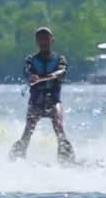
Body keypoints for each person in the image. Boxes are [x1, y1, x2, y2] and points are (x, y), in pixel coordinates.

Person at [11, 26, 75, 162]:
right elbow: (26, 71)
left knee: (58, 125)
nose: (43, 42)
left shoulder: (60, 60)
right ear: (37, 42)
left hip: (53, 102)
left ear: (52, 40)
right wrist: (31, 76)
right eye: (40, 39)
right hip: (36, 102)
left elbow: (63, 71)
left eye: (46, 39)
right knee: (28, 129)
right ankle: (18, 157)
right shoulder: (30, 60)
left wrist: (54, 74)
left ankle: (65, 157)